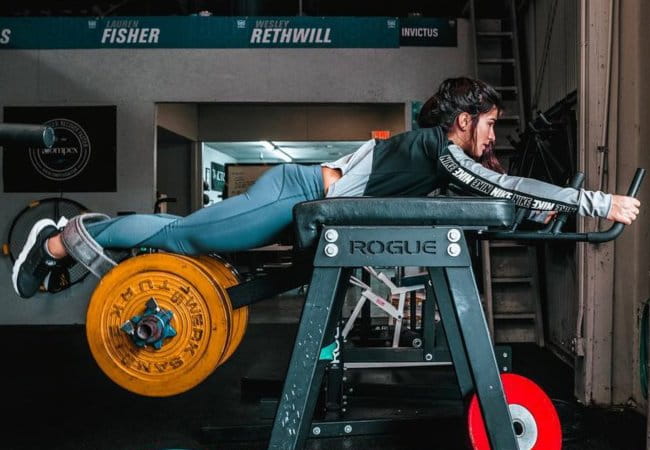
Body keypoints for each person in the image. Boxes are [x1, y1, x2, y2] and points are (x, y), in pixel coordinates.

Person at [11, 77, 641, 299]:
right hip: (295, 191)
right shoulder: (438, 148)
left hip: (306, 198)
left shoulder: (441, 155)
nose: (492, 132)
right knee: (184, 236)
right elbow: (487, 182)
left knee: (186, 237)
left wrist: (547, 214)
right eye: (489, 121)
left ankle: (87, 232)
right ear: (462, 118)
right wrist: (592, 201)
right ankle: (65, 238)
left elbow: (494, 189)